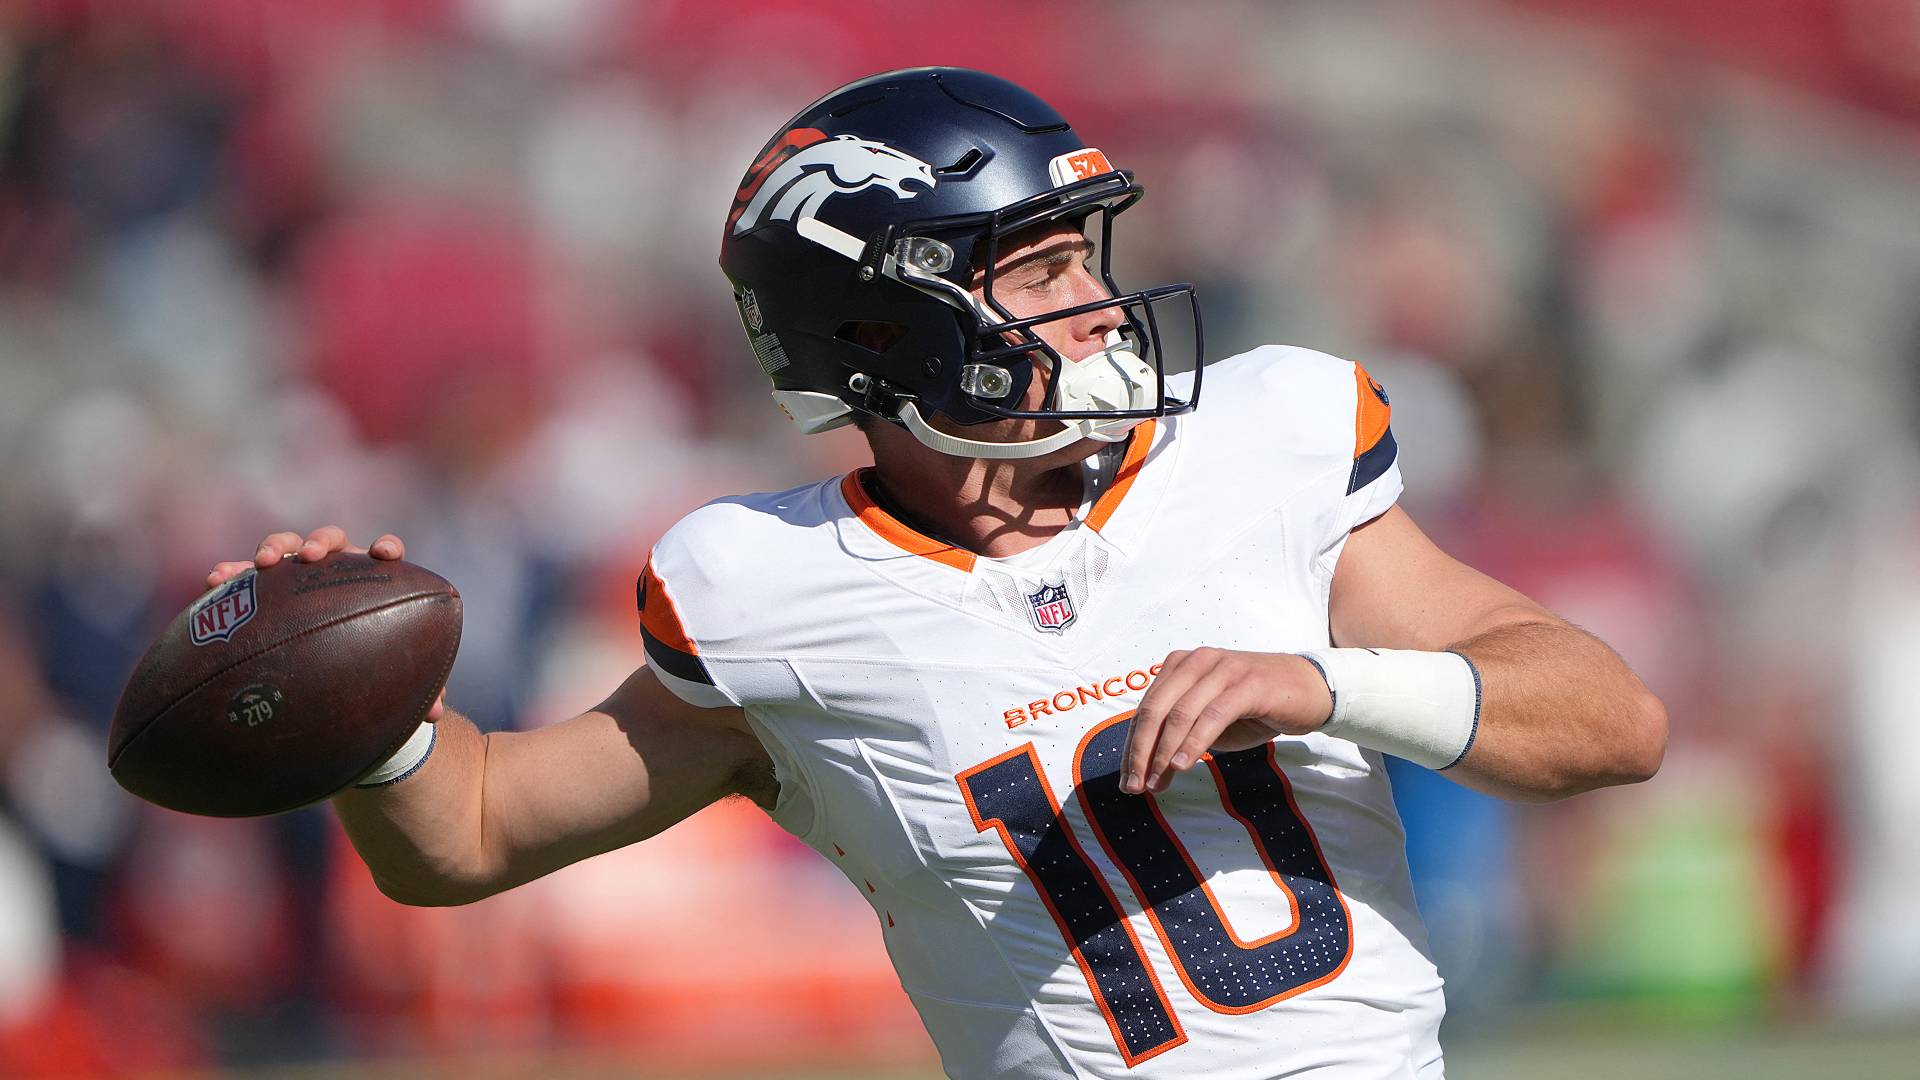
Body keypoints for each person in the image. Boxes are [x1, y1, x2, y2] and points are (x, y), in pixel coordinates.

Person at [209, 68, 1666, 1079]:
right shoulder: (770, 593)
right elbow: (467, 835)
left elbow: (1611, 724)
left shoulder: (1265, 444)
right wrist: (362, 713)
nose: (1097, 301)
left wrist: (1323, 683)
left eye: (1084, 258)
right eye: (1036, 273)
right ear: (884, 333)